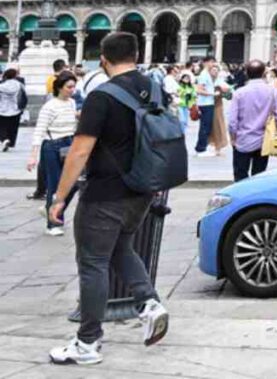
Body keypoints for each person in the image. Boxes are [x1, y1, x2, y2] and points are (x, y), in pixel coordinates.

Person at [46, 32, 169, 365]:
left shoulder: (101, 97)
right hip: (142, 189)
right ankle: (149, 303)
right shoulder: (154, 88)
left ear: (103, 58)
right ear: (138, 54)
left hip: (105, 194)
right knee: (120, 249)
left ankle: (87, 342)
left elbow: (80, 150)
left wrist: (59, 197)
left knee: (92, 263)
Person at [28, 71, 79, 236]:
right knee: (55, 185)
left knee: (74, 183)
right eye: (69, 87)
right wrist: (33, 156)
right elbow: (39, 131)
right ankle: (53, 223)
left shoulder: (72, 103)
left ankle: (50, 209)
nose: (72, 90)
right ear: (59, 87)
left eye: (73, 86)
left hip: (69, 144)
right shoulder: (49, 106)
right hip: (52, 145)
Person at [227, 60, 277, 181]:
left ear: (247, 73)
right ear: (264, 73)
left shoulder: (239, 93)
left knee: (240, 176)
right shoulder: (273, 92)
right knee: (259, 176)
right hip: (264, 140)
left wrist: (233, 137)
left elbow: (232, 121)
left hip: (243, 140)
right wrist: (275, 131)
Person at [0, 68, 25, 153]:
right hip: (15, 109)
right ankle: (11, 141)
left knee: (2, 127)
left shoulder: (1, 86)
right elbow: (24, 96)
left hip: (2, 109)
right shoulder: (19, 85)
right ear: (15, 76)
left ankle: (4, 139)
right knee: (13, 128)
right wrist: (22, 107)